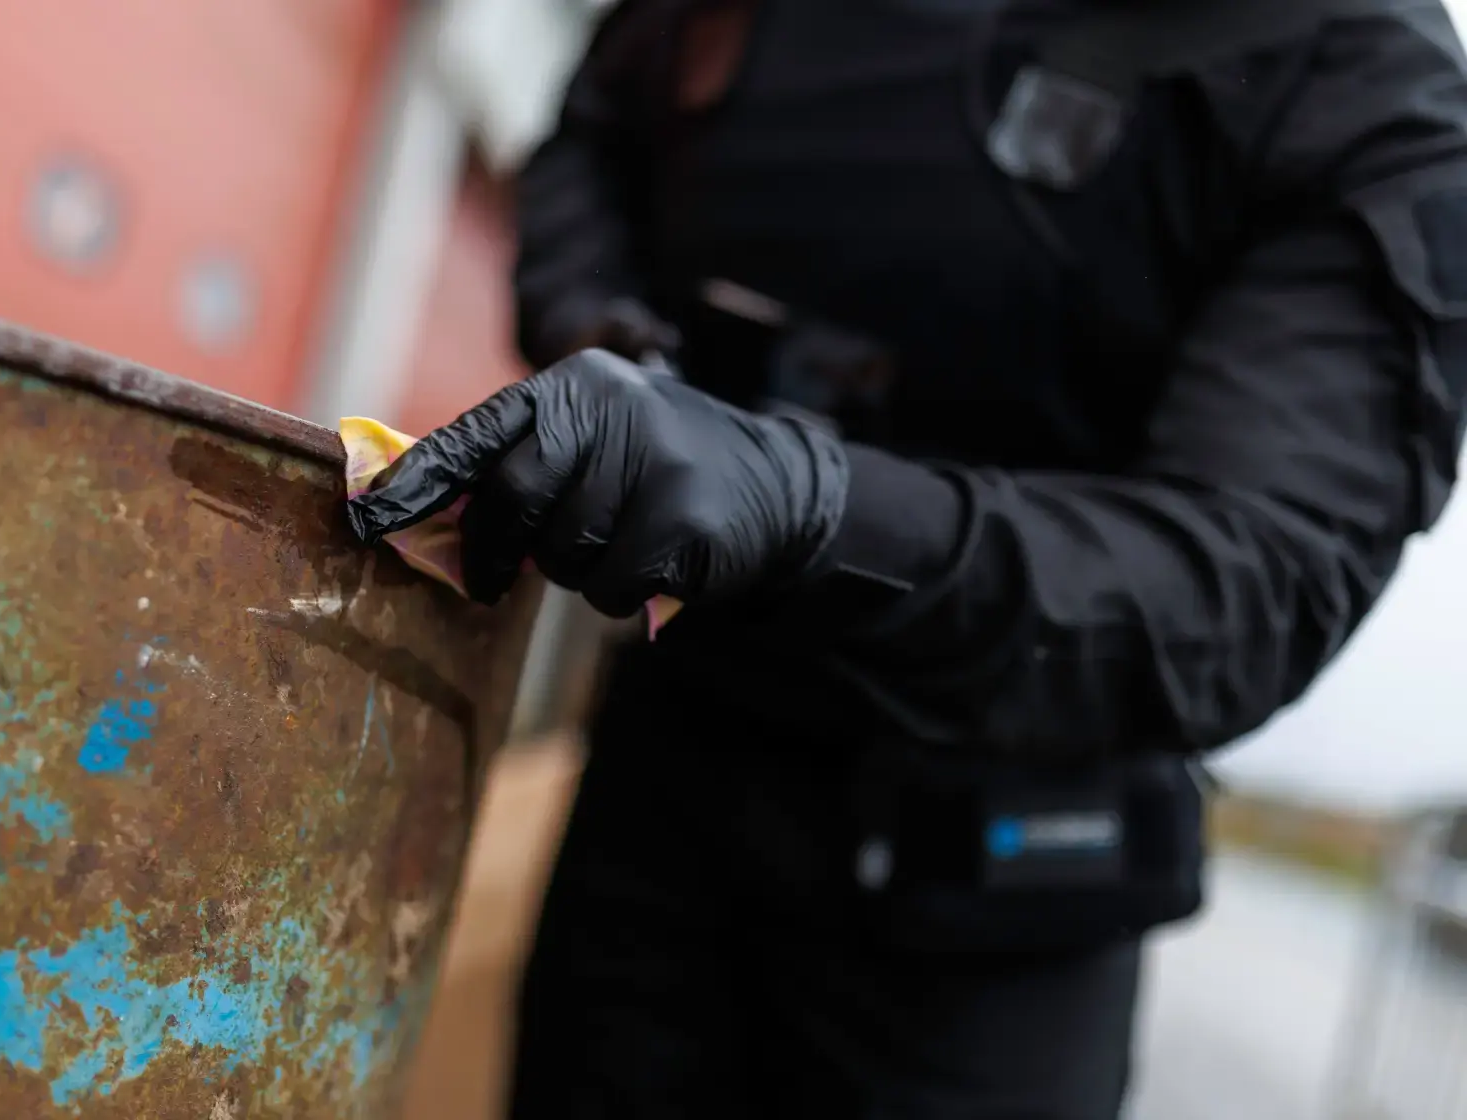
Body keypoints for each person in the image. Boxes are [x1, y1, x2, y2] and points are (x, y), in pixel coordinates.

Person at [346, 0, 1467, 1114]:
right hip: (666, 804)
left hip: (987, 907)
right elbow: (596, 132)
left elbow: (1246, 584)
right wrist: (603, 327)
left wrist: (816, 505)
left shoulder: (1354, 64)